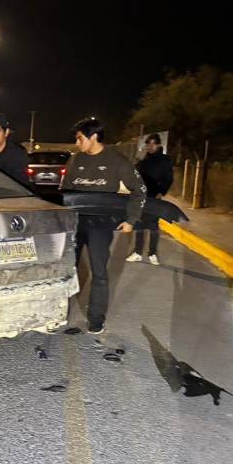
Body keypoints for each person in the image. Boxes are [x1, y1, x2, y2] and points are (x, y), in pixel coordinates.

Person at [61, 117, 146, 334]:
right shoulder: (75, 160)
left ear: (94, 136)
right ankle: (60, 312)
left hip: (100, 224)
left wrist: (131, 220)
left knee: (99, 272)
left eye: (80, 138)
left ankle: (96, 318)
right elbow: (65, 191)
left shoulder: (117, 161)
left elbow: (139, 190)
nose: (77, 143)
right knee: (67, 270)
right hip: (74, 222)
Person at [126, 133, 173, 266]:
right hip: (142, 195)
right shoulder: (144, 159)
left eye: (153, 143)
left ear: (158, 145)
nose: (151, 146)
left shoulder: (165, 159)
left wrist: (161, 192)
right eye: (148, 144)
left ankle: (152, 253)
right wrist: (139, 161)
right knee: (139, 223)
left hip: (155, 195)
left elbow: (169, 178)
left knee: (153, 225)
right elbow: (136, 175)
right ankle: (138, 253)